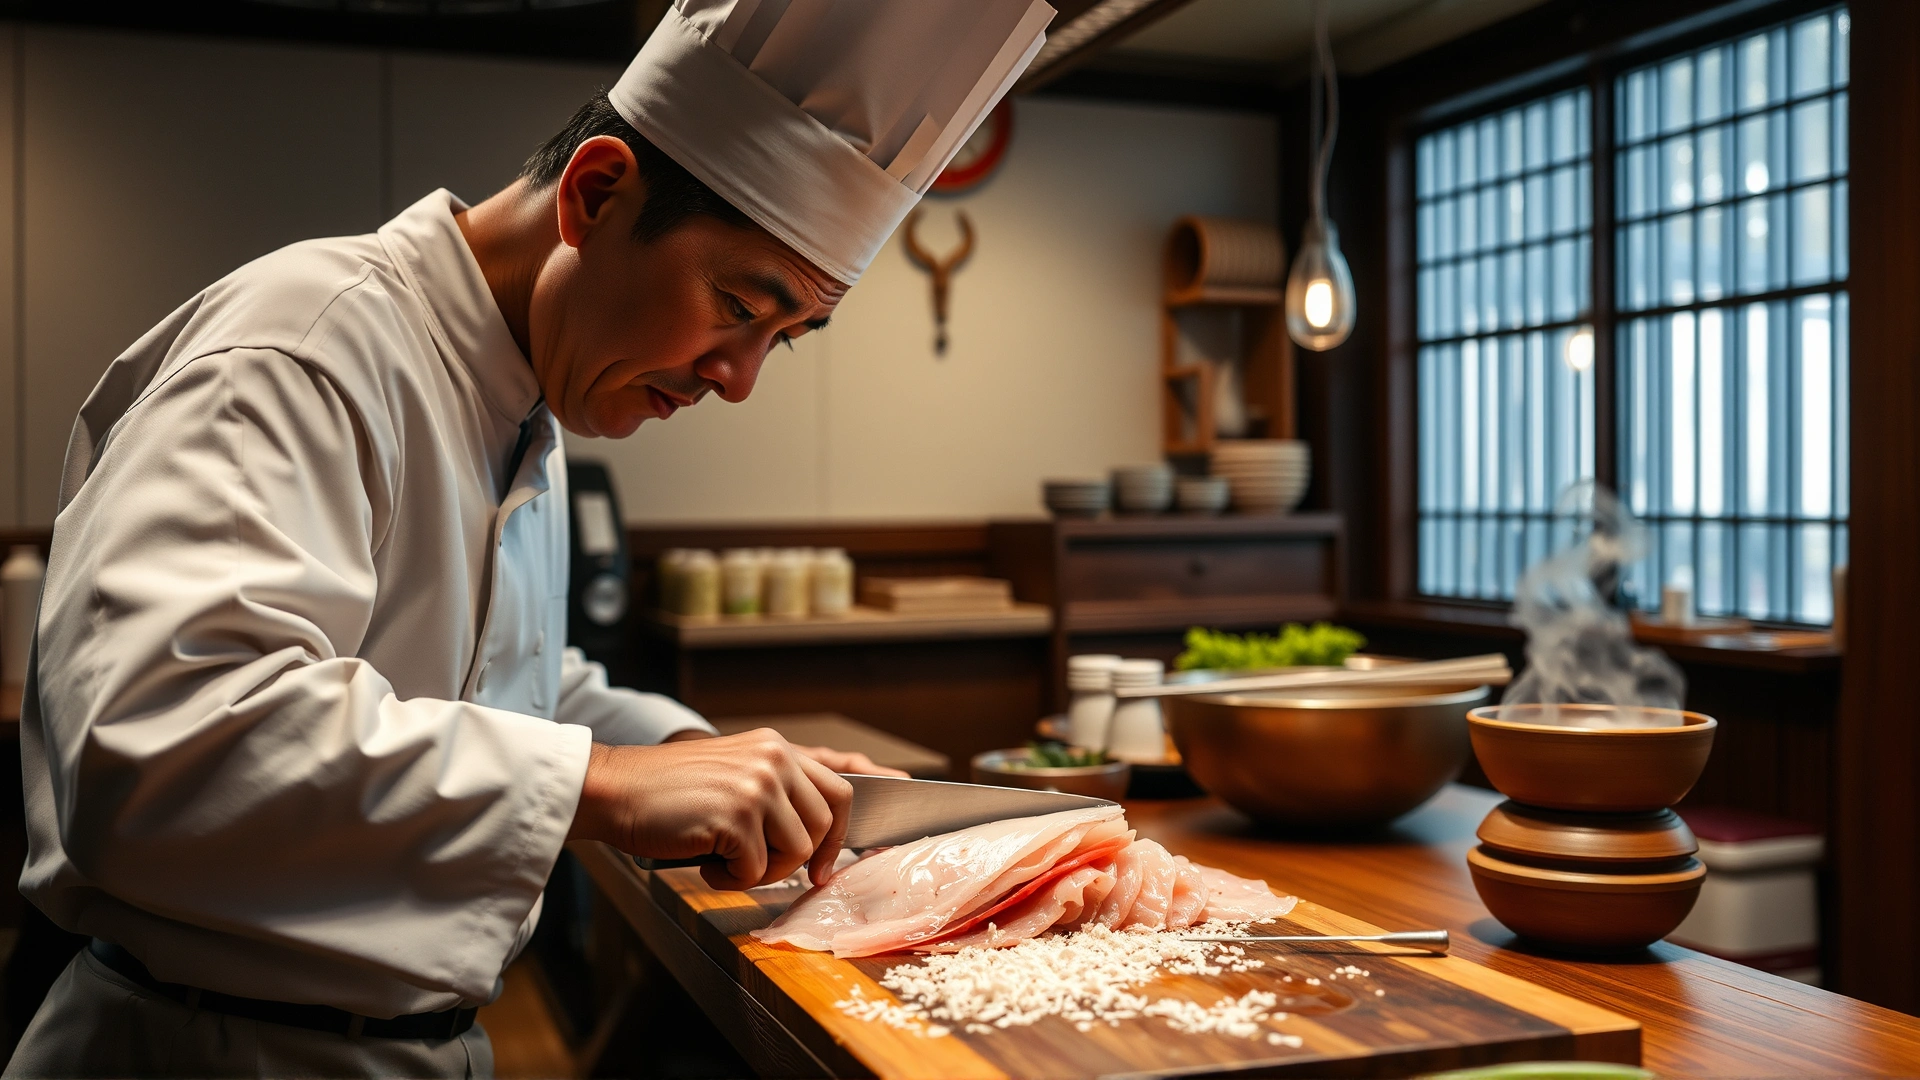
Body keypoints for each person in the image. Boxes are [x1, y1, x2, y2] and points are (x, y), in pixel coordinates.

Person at [5, 0, 1054, 1075]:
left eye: (780, 341)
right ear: (596, 195)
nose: (738, 380)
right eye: (739, 304)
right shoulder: (304, 352)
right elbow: (163, 749)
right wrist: (607, 785)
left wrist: (694, 757)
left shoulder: (523, 400)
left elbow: (498, 689)